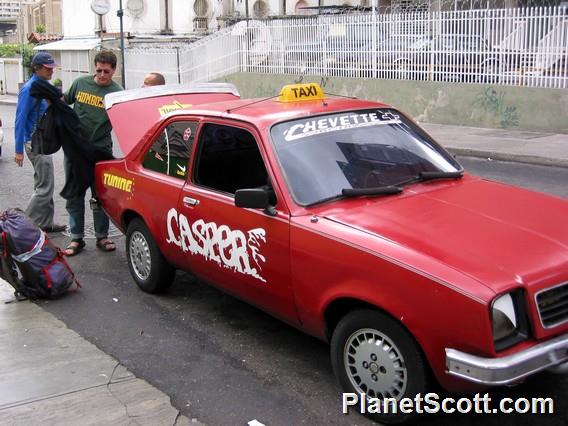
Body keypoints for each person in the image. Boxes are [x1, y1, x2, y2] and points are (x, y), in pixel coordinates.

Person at [63, 50, 123, 256]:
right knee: (75, 194)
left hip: (101, 151)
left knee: (100, 196)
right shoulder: (80, 84)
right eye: (98, 70)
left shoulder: (117, 93)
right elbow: (63, 103)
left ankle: (102, 236)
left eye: (107, 71)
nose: (102, 75)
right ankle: (76, 238)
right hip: (76, 151)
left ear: (114, 70)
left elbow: (126, 123)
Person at [14, 52, 66, 233]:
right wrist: (18, 149)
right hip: (35, 143)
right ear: (37, 68)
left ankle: (45, 223)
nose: (52, 71)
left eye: (52, 68)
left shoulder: (42, 85)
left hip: (42, 141)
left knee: (44, 184)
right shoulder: (30, 89)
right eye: (48, 68)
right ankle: (22, 228)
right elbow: (20, 119)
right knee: (44, 188)